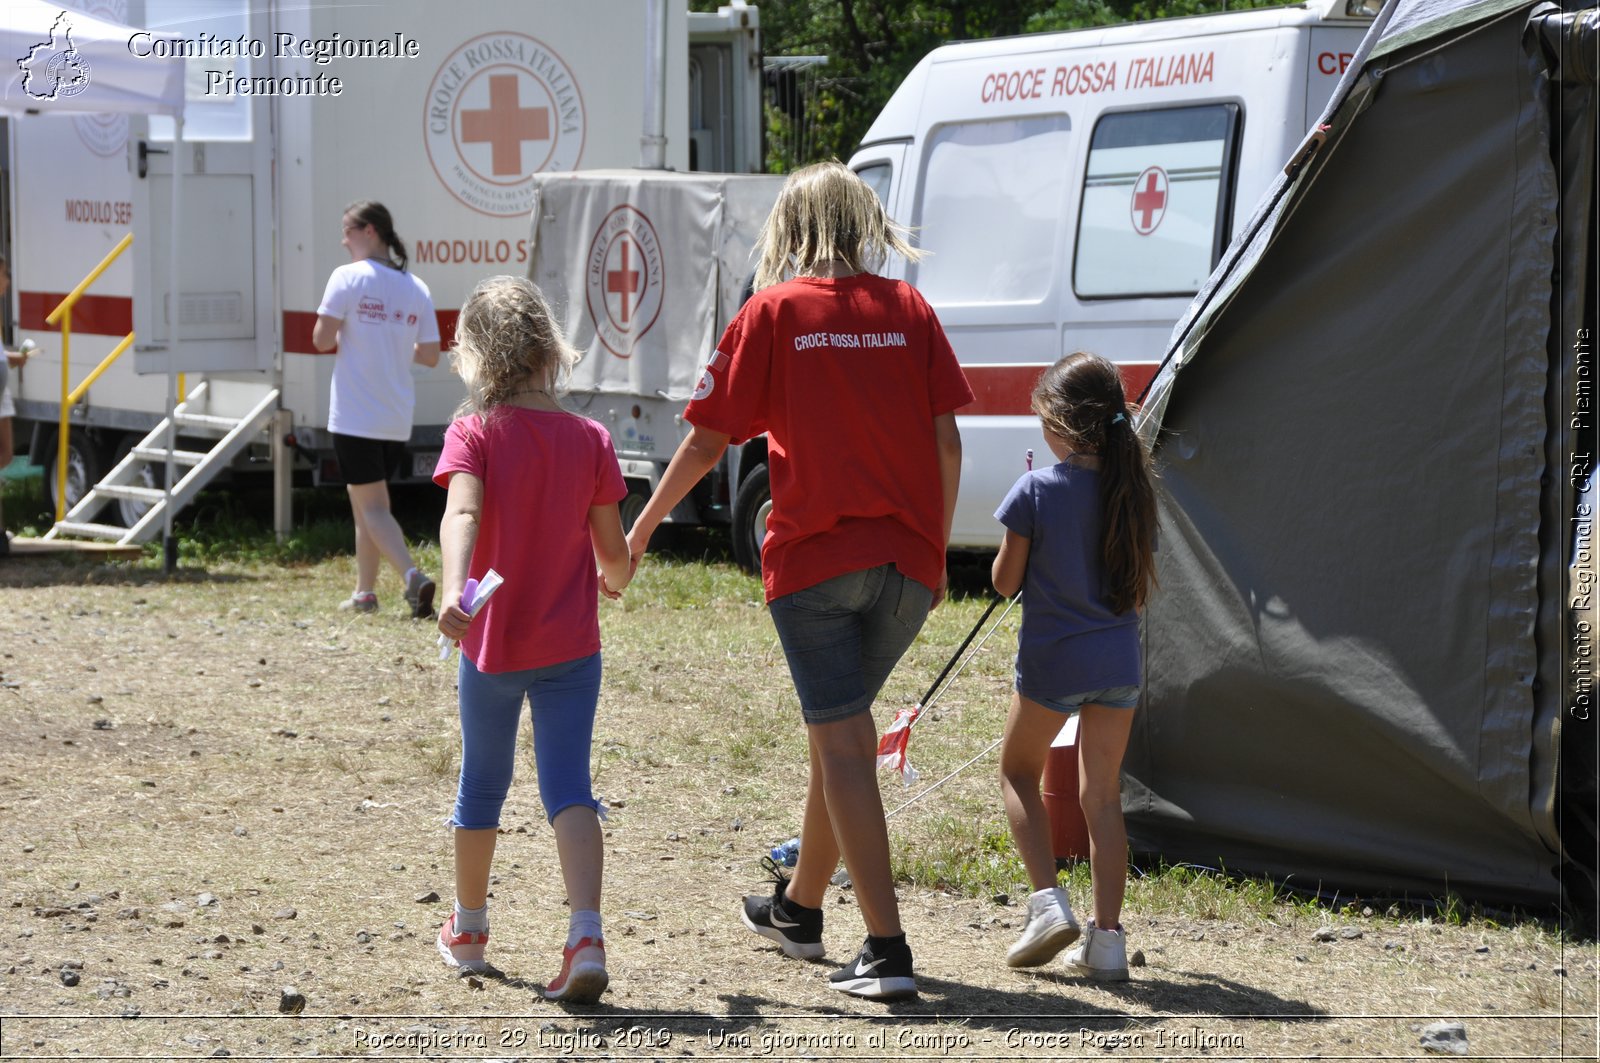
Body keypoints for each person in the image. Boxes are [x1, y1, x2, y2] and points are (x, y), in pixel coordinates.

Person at [625, 161, 971, 1000]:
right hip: (907, 569)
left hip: (814, 565)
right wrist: (934, 550)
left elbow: (709, 443)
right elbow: (947, 443)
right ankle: (800, 910)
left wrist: (638, 531)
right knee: (838, 735)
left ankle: (887, 947)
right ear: (863, 221)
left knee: (843, 744)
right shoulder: (911, 309)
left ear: (791, 226)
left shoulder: (773, 311)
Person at [432, 275, 632, 1004]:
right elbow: (614, 558)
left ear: (477, 357)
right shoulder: (591, 439)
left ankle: (471, 929)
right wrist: (619, 570)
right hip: (572, 650)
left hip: (493, 645)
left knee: (481, 782)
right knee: (569, 789)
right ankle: (586, 933)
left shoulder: (475, 431)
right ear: (551, 349)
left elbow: (462, 511)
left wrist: (455, 588)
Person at [991, 351, 1158, 981]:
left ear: (1060, 423)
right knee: (1103, 797)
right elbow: (1137, 593)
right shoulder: (1135, 493)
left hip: (1053, 665)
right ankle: (1108, 942)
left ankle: (1047, 906)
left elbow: (1005, 582)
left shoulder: (1035, 489)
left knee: (1016, 770)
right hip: (1118, 661)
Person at [311, 201, 440, 616]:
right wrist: (392, 341)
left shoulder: (346, 278)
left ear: (369, 231)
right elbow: (431, 354)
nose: (342, 240)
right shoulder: (415, 287)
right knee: (363, 503)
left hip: (355, 413)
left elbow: (320, 338)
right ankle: (365, 592)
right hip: (395, 414)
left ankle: (411, 577)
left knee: (373, 507)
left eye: (346, 232)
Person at [0, 256, 34, 557]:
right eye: (4, 274)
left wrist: (15, 358)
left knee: (6, 454)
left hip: (2, 393)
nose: (7, 280)